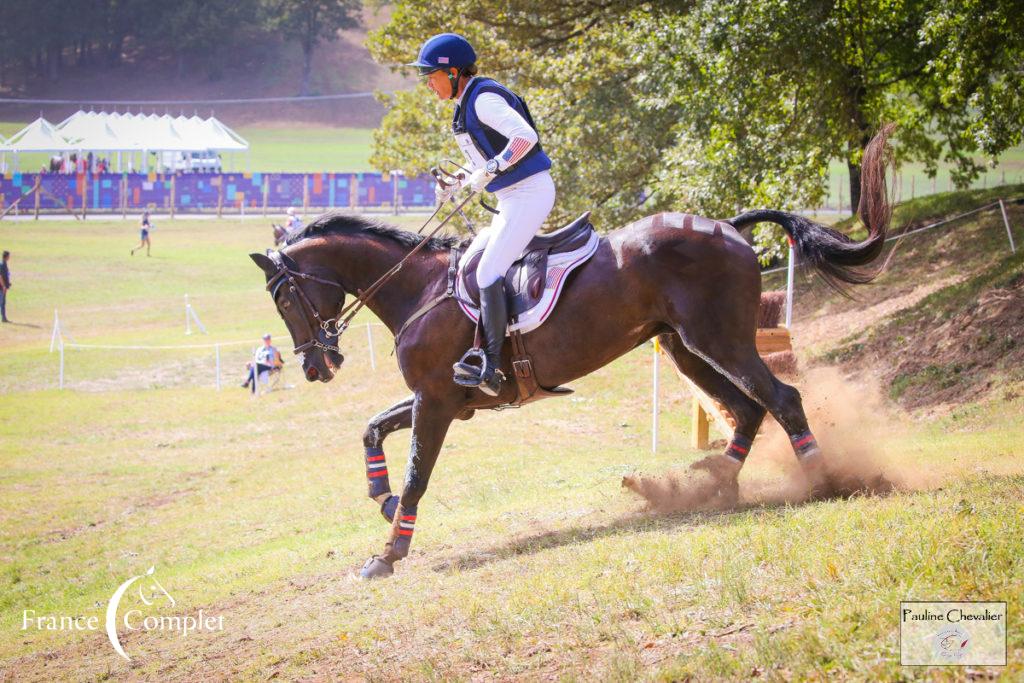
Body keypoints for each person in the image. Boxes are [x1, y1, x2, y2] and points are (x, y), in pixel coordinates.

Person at [410, 32, 555, 397]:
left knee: (490, 270)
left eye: (432, 76)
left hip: (529, 193)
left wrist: (490, 168)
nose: (429, 84)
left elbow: (525, 139)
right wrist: (458, 181)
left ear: (454, 72)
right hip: (512, 197)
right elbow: (483, 160)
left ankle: (491, 364)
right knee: (471, 263)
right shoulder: (465, 103)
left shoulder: (484, 99)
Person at [0, 251, 11, 323]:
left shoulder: (5, 264)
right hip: (1, 287)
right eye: (9, 256)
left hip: (4, 287)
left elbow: (6, 275)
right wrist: (3, 286)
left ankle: (4, 318)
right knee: (1, 302)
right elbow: (0, 276)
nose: (9, 257)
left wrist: (8, 284)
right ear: (6, 256)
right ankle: (3, 318)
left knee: (3, 302)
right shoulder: (1, 265)